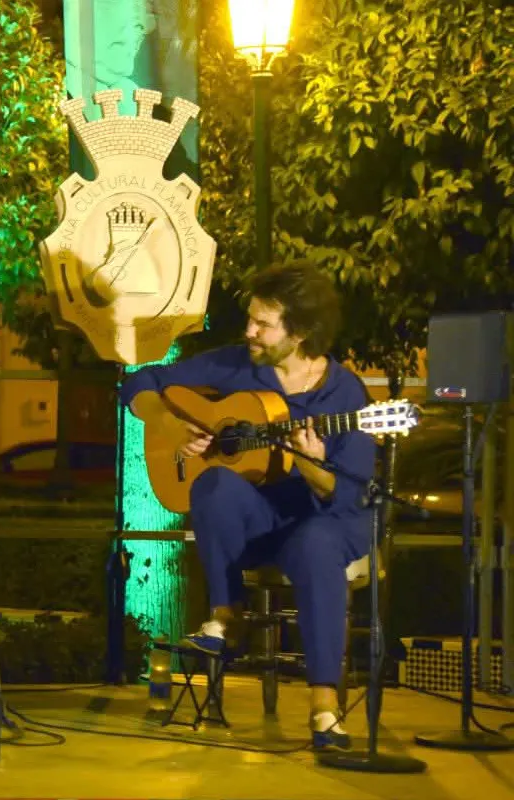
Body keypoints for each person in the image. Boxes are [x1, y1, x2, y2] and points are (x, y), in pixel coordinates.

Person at [119, 259, 374, 750]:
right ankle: (226, 616)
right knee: (214, 483)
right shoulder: (239, 364)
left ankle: (324, 709)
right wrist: (172, 424)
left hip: (327, 521)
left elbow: (349, 492)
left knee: (316, 544)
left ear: (299, 334)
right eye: (251, 319)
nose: (249, 331)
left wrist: (310, 462)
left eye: (263, 324)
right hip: (260, 521)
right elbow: (140, 382)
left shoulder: (346, 394)